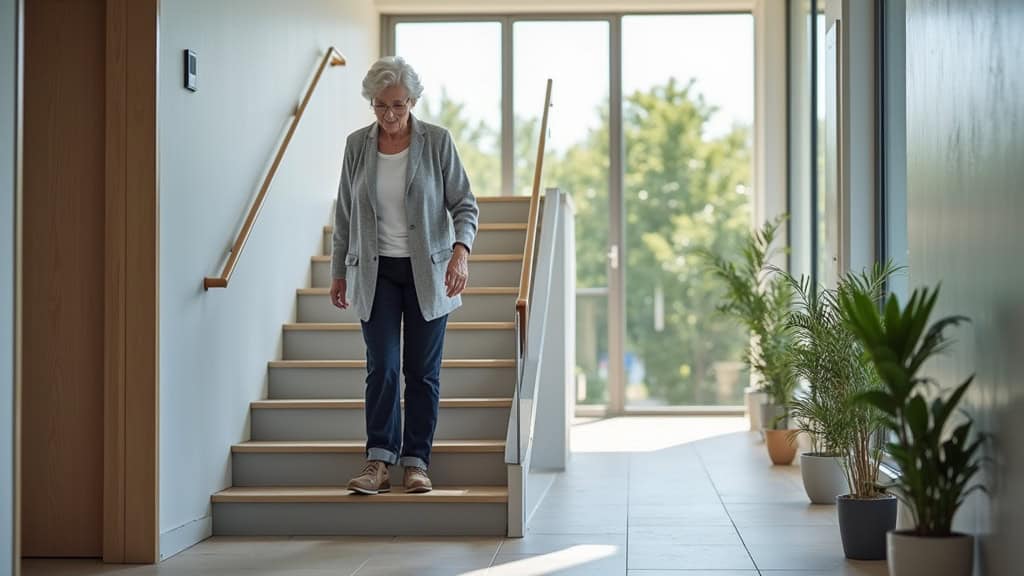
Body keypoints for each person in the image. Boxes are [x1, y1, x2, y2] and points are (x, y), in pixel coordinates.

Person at [330, 56, 479, 495]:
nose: (390, 115)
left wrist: (461, 253)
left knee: (422, 371)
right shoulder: (357, 145)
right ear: (371, 104)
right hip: (375, 272)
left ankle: (416, 463)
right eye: (380, 106)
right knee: (383, 369)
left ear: (412, 100)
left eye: (398, 105)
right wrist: (339, 270)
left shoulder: (437, 142)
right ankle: (378, 462)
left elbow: (465, 205)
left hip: (428, 272)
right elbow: (344, 214)